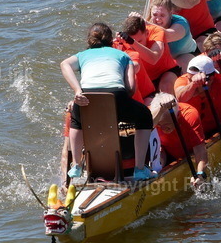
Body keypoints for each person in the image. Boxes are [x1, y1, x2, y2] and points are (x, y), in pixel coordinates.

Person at [60, 22, 154, 181]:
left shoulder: (82, 55)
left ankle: (76, 167)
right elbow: (131, 88)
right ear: (111, 40)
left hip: (86, 96)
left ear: (89, 40)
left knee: (77, 119)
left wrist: (78, 90)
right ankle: (140, 169)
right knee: (144, 116)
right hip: (116, 95)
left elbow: (64, 64)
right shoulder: (123, 55)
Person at [174, 54, 221, 166]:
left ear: (211, 78)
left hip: (216, 129)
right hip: (193, 137)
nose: (188, 80)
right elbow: (180, 98)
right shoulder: (183, 81)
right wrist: (193, 84)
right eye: (188, 78)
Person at [115, 14, 179, 95]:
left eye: (139, 41)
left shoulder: (156, 31)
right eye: (132, 41)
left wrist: (132, 42)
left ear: (147, 33)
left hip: (166, 72)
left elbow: (153, 58)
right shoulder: (122, 41)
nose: (135, 46)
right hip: (146, 80)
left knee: (165, 87)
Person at [154, 98, 209, 188]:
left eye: (166, 125)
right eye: (159, 125)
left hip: (191, 152)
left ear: (177, 116)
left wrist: (200, 174)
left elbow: (200, 150)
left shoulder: (189, 115)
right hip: (167, 152)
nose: (162, 129)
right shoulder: (152, 114)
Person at [148, 0, 197, 73]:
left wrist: (145, 24)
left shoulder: (181, 22)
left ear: (171, 13)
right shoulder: (148, 24)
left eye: (162, 15)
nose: (157, 19)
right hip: (167, 61)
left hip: (187, 55)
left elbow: (167, 35)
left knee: (171, 73)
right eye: (155, 14)